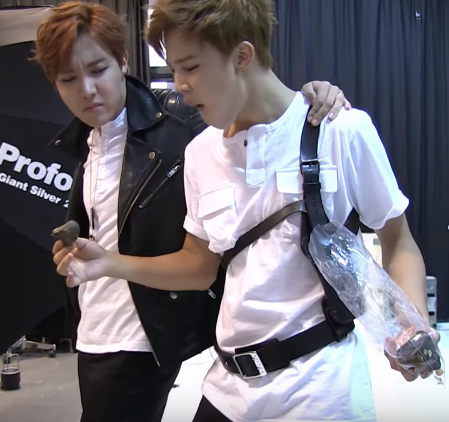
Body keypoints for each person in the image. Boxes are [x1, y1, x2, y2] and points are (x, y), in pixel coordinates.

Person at [38, 2, 351, 422]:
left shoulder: (182, 125)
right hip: (94, 326)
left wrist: (315, 94)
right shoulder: (80, 144)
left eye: (98, 70)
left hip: (149, 334)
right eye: (68, 79)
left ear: (123, 60)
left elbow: (250, 102)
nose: (87, 90)